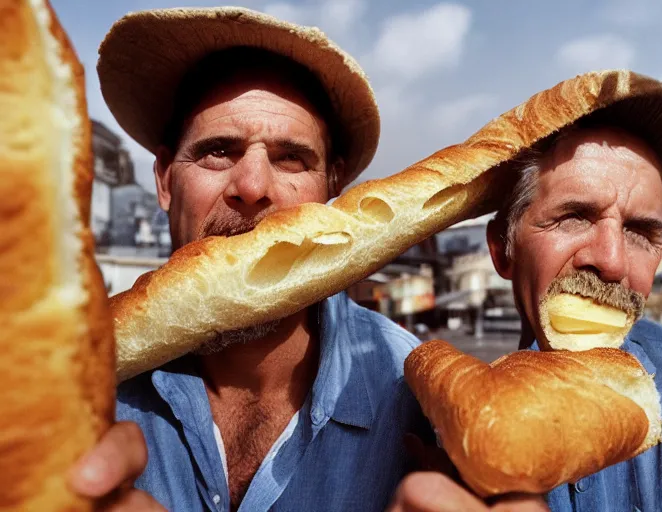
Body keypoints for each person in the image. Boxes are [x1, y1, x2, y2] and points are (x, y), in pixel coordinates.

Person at [67, 6, 441, 511]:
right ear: (163, 180)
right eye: (219, 151)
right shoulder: (68, 383)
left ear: (334, 187)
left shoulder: (415, 391)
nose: (252, 187)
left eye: (290, 158)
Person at [391, 102, 662, 509]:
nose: (612, 262)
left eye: (640, 231)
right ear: (503, 251)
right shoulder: (443, 413)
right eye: (575, 218)